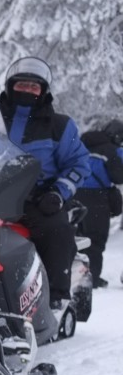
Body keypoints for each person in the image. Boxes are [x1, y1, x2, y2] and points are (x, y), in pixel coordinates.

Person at [0, 57, 92, 307]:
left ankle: (55, 297)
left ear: (43, 92)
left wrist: (58, 193)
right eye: (22, 85)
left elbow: (79, 163)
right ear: (10, 87)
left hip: (38, 199)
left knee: (57, 231)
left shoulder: (58, 125)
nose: (27, 90)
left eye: (33, 87)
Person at [77, 119, 123, 286]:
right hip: (96, 199)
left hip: (74, 195)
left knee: (78, 238)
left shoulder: (83, 144)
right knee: (95, 240)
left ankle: (76, 276)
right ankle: (92, 279)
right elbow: (118, 176)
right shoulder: (111, 150)